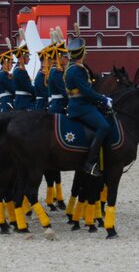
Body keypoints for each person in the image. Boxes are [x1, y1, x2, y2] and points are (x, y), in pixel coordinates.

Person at [64, 37, 111, 177]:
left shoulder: (71, 68)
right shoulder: (77, 70)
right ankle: (90, 162)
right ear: (81, 53)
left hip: (78, 105)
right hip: (82, 107)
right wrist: (103, 99)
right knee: (104, 126)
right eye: (85, 52)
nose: (86, 54)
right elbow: (86, 91)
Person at [47, 42, 69, 114]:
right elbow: (63, 91)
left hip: (58, 103)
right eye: (65, 57)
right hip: (58, 105)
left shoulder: (55, 70)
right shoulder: (56, 72)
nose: (68, 59)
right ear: (59, 57)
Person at [12, 44, 35, 111]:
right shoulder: (20, 71)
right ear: (23, 57)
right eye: (27, 56)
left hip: (22, 100)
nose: (29, 59)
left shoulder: (17, 69)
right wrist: (38, 92)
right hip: (24, 102)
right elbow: (28, 87)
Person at [0, 49, 15, 113]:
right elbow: (12, 89)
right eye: (11, 63)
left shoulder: (3, 74)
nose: (12, 65)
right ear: (6, 62)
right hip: (7, 105)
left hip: (7, 103)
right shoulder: (3, 75)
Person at [33, 47, 51, 111]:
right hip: (42, 105)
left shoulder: (45, 74)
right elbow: (44, 92)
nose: (51, 62)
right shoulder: (41, 75)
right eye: (50, 60)